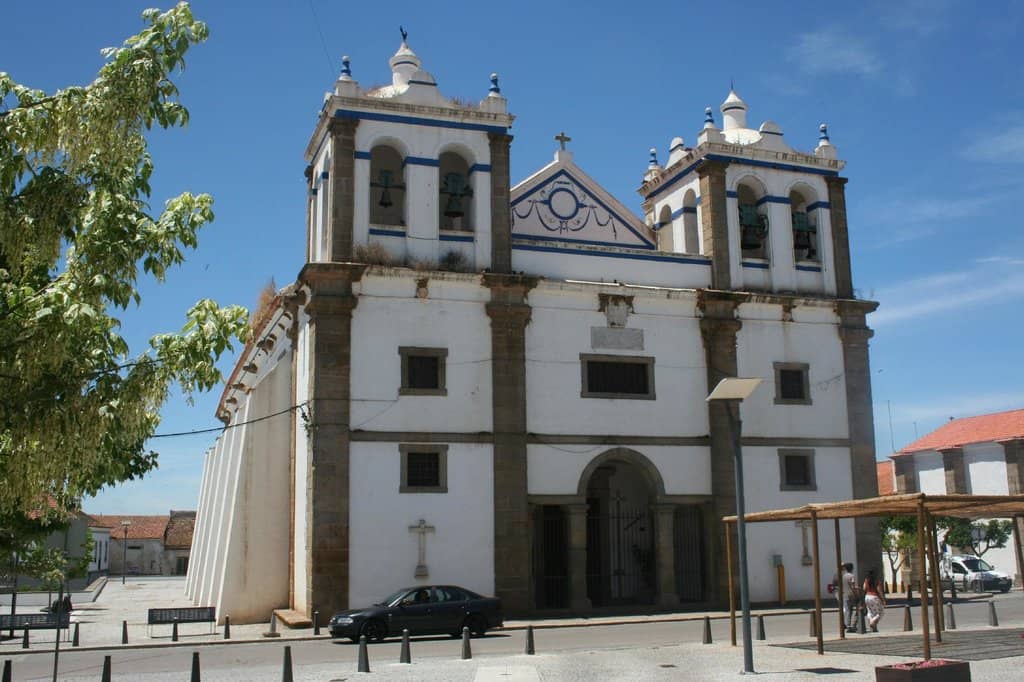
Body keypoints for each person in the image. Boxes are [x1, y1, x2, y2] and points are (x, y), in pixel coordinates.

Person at [835, 562, 859, 631]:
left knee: (849, 611)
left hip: (845, 595)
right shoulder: (851, 576)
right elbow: (853, 586)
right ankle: (854, 624)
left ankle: (848, 625)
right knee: (858, 609)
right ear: (852, 568)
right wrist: (857, 594)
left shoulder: (843, 576)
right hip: (852, 595)